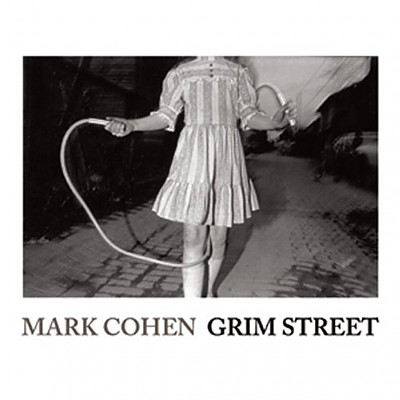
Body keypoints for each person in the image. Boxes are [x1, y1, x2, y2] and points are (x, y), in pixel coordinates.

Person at [105, 56, 296, 297]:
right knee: (193, 236)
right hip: (194, 155)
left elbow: (248, 115)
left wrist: (272, 123)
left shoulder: (238, 73)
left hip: (226, 157)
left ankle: (208, 291)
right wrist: (132, 125)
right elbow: (165, 115)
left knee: (218, 236)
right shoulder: (181, 73)